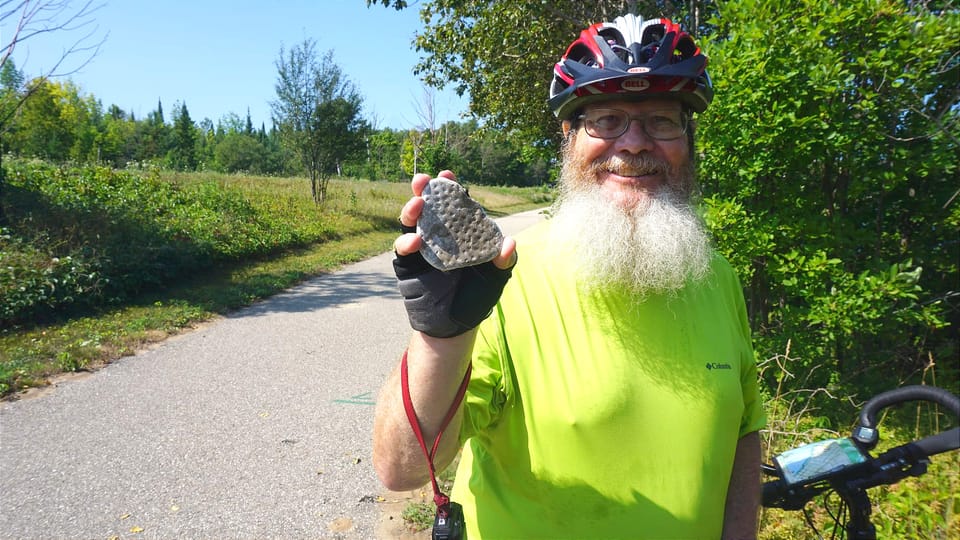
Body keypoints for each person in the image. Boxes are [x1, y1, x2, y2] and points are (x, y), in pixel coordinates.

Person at [373, 13, 766, 540]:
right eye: (605, 120)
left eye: (662, 121)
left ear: (688, 139)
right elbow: (403, 469)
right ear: (569, 137)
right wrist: (440, 337)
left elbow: (742, 430)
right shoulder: (505, 278)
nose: (633, 143)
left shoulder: (715, 275)